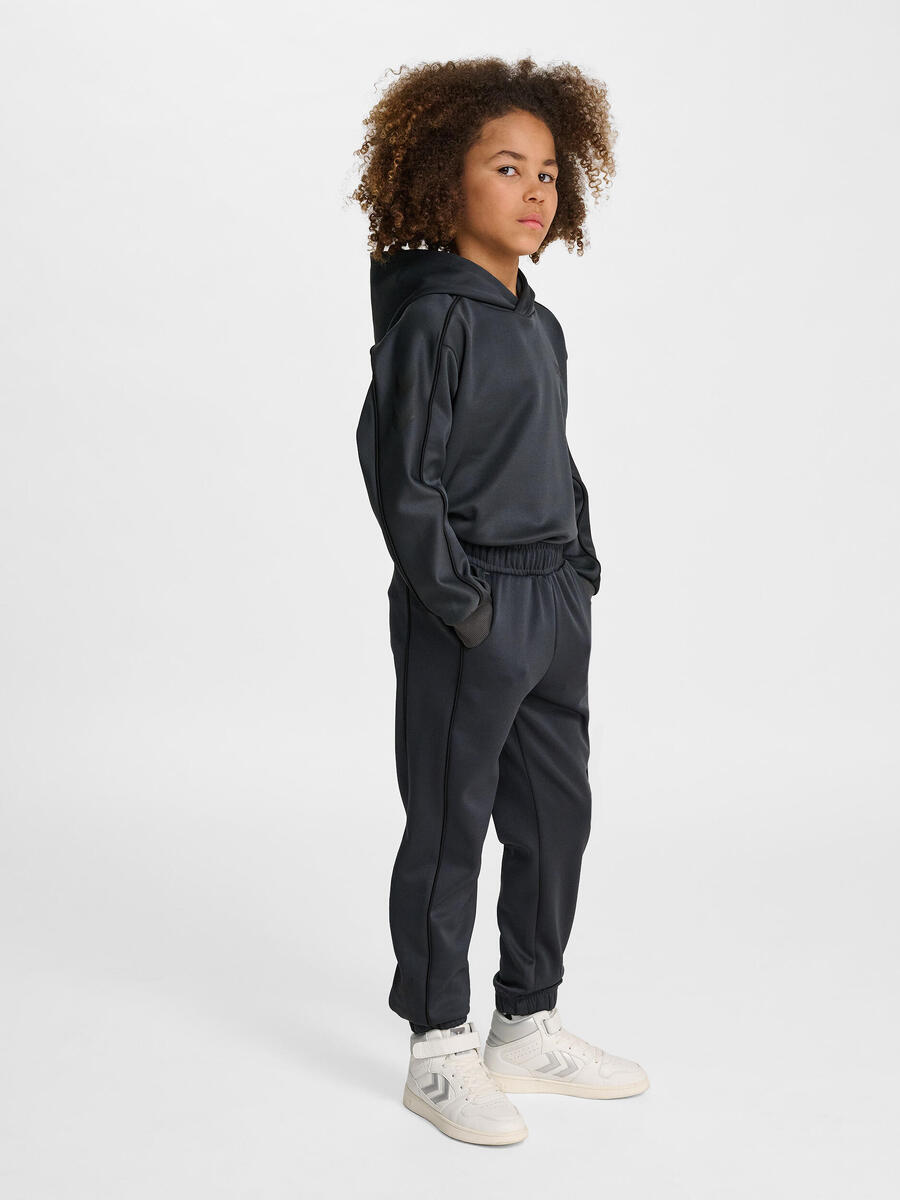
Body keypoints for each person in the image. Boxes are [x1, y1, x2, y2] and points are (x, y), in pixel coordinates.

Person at [351, 56, 649, 1146]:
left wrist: (581, 564)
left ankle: (525, 1021)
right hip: (469, 608)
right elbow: (402, 476)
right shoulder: (434, 318)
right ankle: (439, 1046)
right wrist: (459, 605)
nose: (535, 191)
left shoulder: (537, 321)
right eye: (507, 167)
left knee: (555, 814)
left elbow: (548, 452)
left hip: (552, 599)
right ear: (446, 179)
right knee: (450, 825)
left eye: (550, 172)